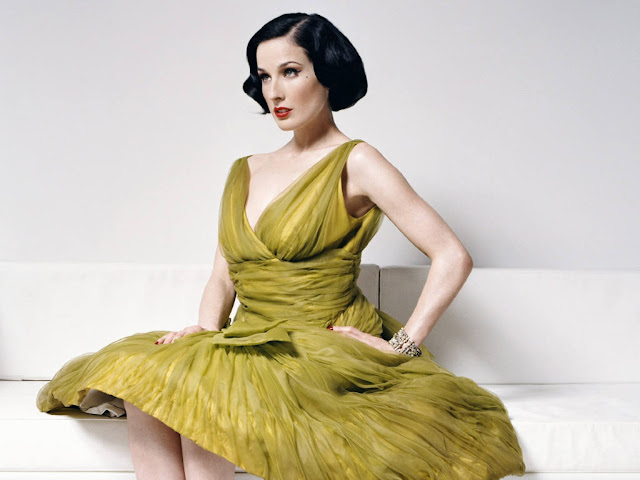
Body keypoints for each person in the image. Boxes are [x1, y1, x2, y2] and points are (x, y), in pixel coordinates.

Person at [36, 12, 526, 480]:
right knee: (147, 378)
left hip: (321, 346)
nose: (274, 92)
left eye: (290, 72)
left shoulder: (357, 161)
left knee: (204, 390)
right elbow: (224, 274)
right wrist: (205, 331)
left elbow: (452, 256)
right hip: (249, 339)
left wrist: (402, 346)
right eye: (264, 76)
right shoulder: (245, 169)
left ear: (326, 73)